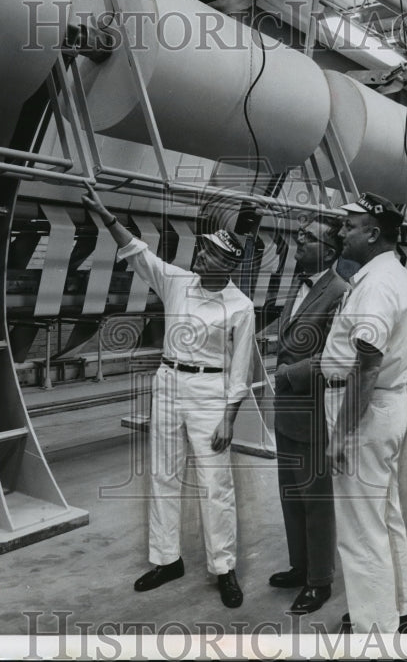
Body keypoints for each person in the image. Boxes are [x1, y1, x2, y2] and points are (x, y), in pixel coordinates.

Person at [81, 183, 256, 609]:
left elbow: (240, 369)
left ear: (227, 263)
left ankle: (224, 567)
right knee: (163, 473)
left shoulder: (240, 306)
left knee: (215, 483)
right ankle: (166, 559)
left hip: (210, 393)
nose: (198, 257)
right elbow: (140, 254)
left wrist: (229, 418)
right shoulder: (179, 281)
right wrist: (106, 217)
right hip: (168, 383)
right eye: (201, 251)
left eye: (208, 253)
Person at [277, 192, 407, 634]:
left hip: (364, 410)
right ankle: (397, 613)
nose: (341, 232)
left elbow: (367, 364)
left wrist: (340, 436)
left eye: (349, 226)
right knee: (385, 516)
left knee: (361, 533)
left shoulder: (375, 284)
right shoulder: (388, 274)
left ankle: (374, 633)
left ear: (373, 233)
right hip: (382, 406)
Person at [269, 216, 348, 616]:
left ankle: (320, 581)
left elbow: (334, 356)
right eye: (301, 233)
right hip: (287, 411)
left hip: (314, 410)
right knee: (290, 494)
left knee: (316, 500)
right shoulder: (298, 284)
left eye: (309, 237)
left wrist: (288, 373)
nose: (299, 240)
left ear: (330, 251)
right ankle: (299, 566)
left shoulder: (338, 292)